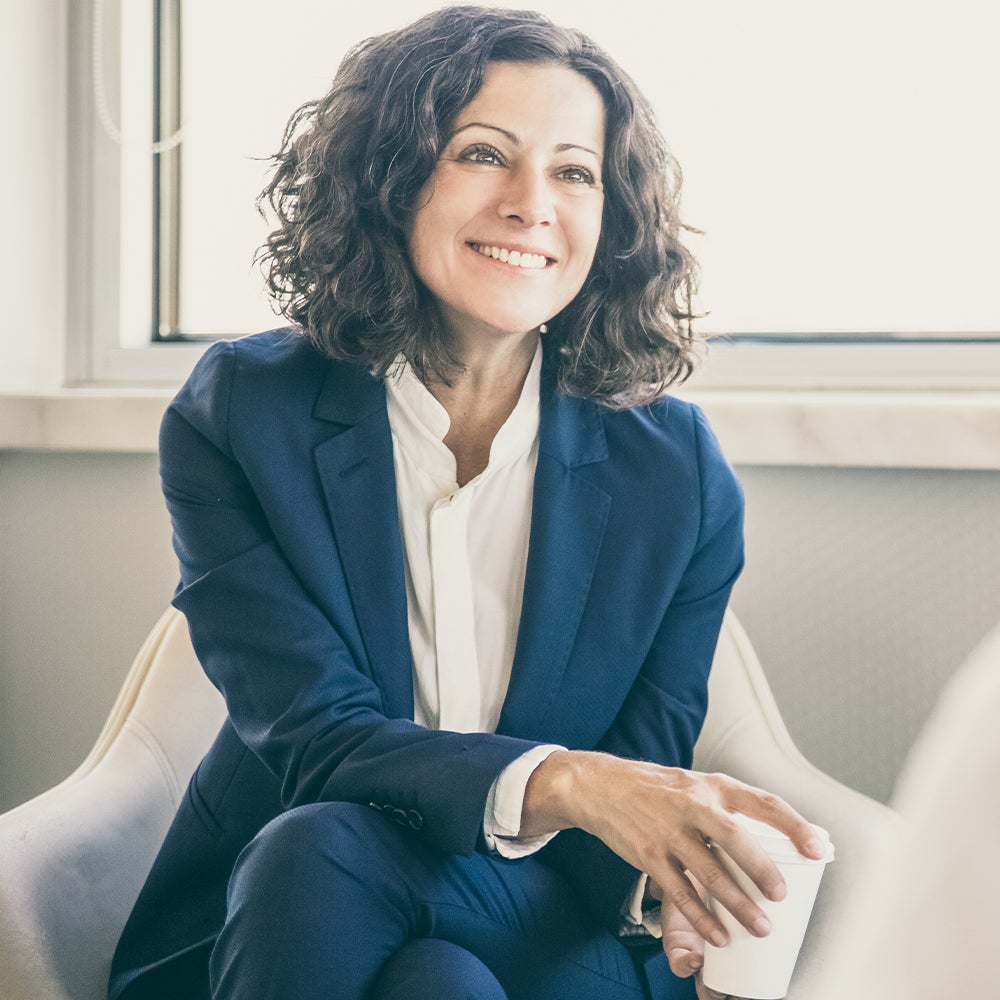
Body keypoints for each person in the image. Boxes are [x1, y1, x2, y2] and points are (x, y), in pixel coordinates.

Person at [108, 7, 824, 1000]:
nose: (534, 203)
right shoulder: (241, 416)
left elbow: (642, 764)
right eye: (483, 154)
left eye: (575, 171)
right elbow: (315, 739)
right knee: (374, 909)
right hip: (285, 900)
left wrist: (680, 896)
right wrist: (564, 780)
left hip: (540, 917)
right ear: (390, 179)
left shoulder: (677, 470)